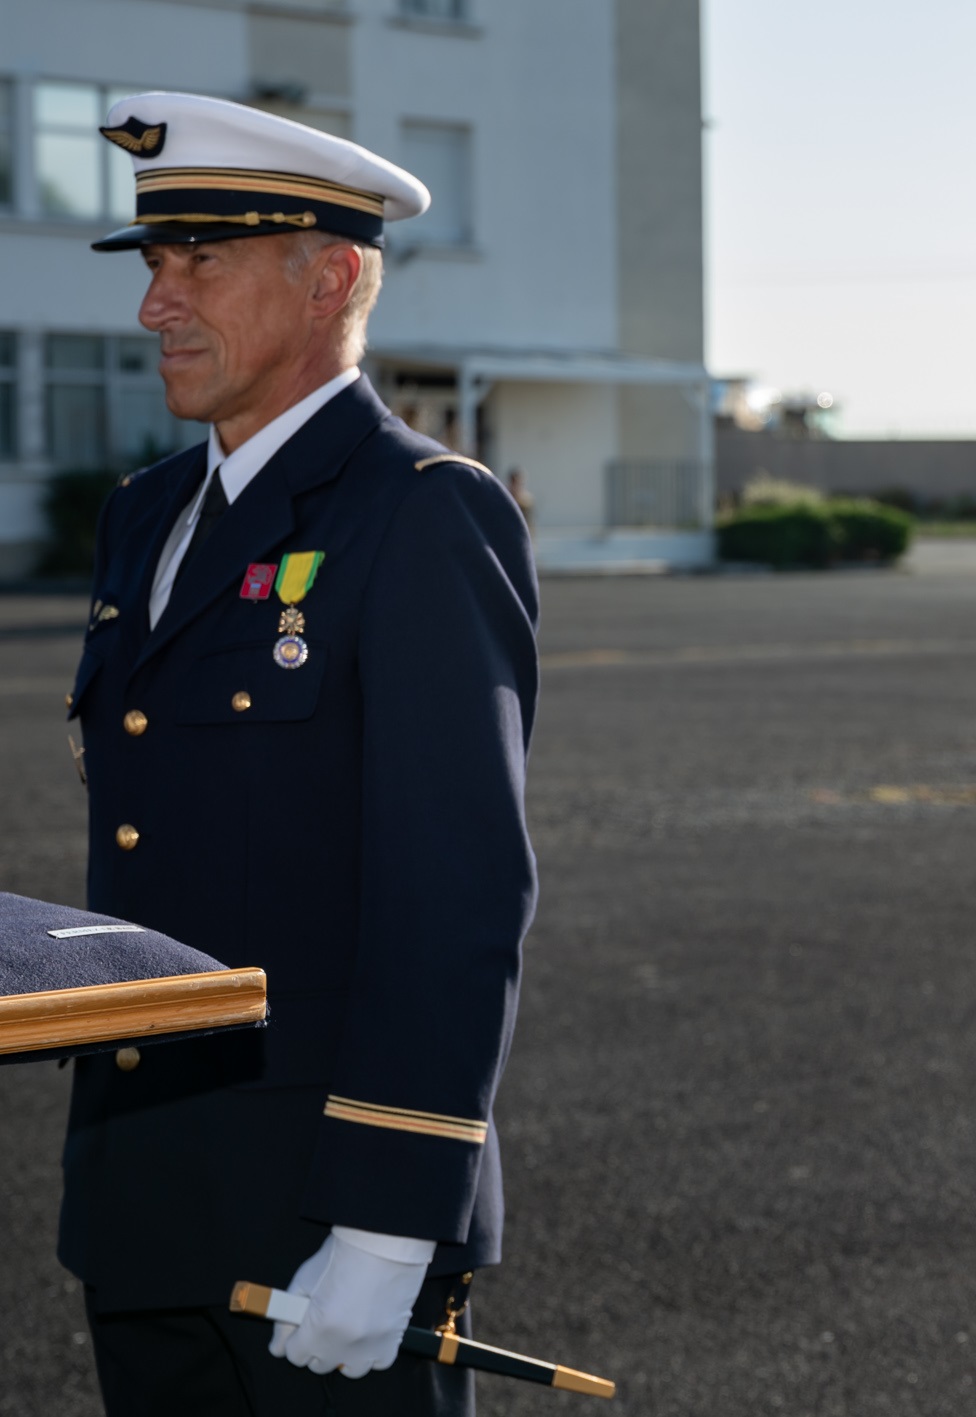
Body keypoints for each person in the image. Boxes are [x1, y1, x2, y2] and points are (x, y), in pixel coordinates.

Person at [64, 93, 538, 1415]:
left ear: (329, 275)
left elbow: (459, 894)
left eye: (196, 263)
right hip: (144, 1201)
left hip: (326, 1222)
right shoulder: (146, 517)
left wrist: (393, 1220)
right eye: (155, 265)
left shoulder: (423, 517)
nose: (157, 303)